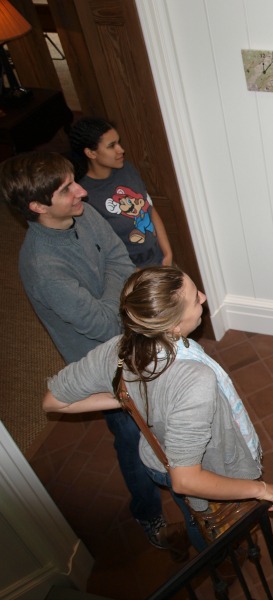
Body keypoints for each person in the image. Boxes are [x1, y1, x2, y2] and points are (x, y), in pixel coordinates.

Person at [43, 266, 273, 551]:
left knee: (191, 514)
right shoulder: (196, 380)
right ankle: (219, 559)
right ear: (173, 327)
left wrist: (126, 397)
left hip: (157, 458)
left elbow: (54, 400)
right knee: (202, 520)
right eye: (195, 299)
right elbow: (186, 481)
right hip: (200, 467)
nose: (203, 297)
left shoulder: (117, 348)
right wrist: (262, 489)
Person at [0, 151, 167, 549]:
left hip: (132, 335)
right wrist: (117, 292)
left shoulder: (81, 212)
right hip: (104, 365)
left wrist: (109, 292)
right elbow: (104, 324)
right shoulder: (43, 268)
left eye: (73, 180)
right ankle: (148, 512)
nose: (81, 191)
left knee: (159, 416)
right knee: (131, 438)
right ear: (38, 206)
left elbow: (121, 259)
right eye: (66, 189)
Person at [69, 116, 173, 268]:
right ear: (91, 153)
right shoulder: (84, 195)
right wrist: (136, 274)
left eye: (119, 142)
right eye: (111, 146)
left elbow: (149, 209)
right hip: (131, 271)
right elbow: (101, 252)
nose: (121, 150)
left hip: (159, 258)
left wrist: (167, 254)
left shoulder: (127, 169)